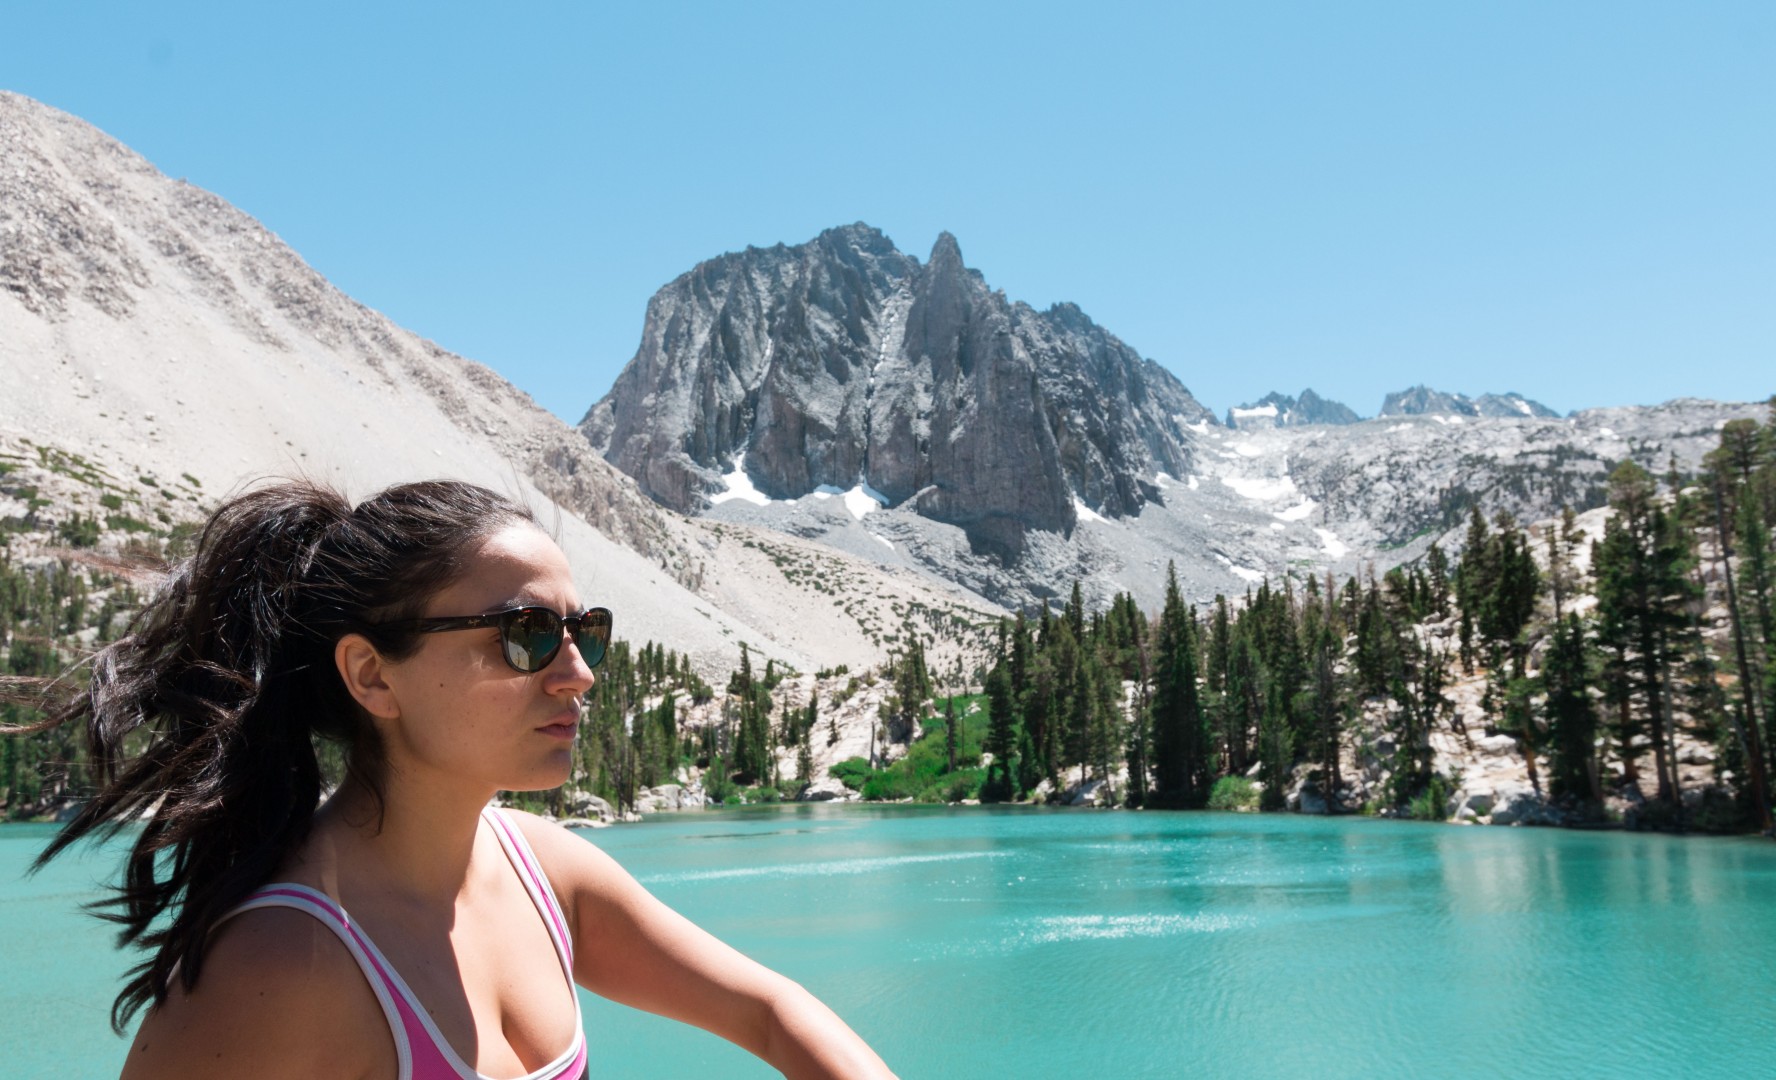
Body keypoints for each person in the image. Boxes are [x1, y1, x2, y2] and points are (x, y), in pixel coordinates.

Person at [30, 479, 895, 1079]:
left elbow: (771, 1014)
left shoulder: (549, 872)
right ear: (372, 676)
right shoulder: (283, 967)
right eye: (524, 634)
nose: (578, 672)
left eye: (583, 631)